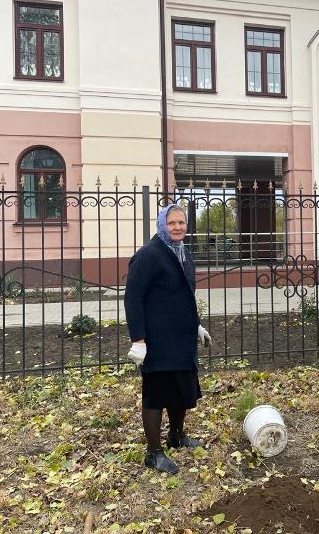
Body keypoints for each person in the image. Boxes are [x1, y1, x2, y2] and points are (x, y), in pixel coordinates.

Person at [125, 203, 212, 474]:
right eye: (172, 223)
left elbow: (185, 295)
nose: (177, 227)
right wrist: (138, 339)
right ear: (162, 224)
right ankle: (154, 453)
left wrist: (196, 325)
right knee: (156, 394)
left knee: (180, 388)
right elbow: (133, 298)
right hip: (158, 339)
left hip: (182, 337)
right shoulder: (149, 255)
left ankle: (176, 437)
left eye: (181, 223)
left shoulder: (183, 252)